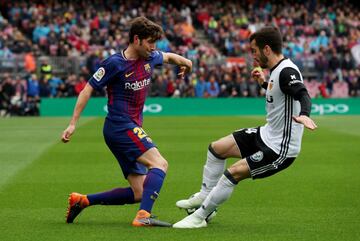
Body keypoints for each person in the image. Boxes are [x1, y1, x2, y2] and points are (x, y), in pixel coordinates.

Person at [173, 26, 317, 228]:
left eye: (254, 51)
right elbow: (279, 96)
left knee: (232, 173)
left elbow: (303, 94)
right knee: (216, 148)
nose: (253, 56)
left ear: (267, 49)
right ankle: (205, 195)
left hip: (280, 148)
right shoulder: (276, 71)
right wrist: (263, 83)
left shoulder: (287, 71)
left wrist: (304, 115)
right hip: (266, 134)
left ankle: (200, 217)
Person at [61, 16, 192, 227]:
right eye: (150, 42)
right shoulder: (115, 63)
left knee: (140, 191)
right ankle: (143, 216)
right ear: (136, 39)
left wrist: (187, 62)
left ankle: (82, 201)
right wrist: (73, 123)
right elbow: (87, 89)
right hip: (120, 126)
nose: (153, 47)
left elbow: (168, 57)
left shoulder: (150, 57)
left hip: (127, 127)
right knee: (160, 163)